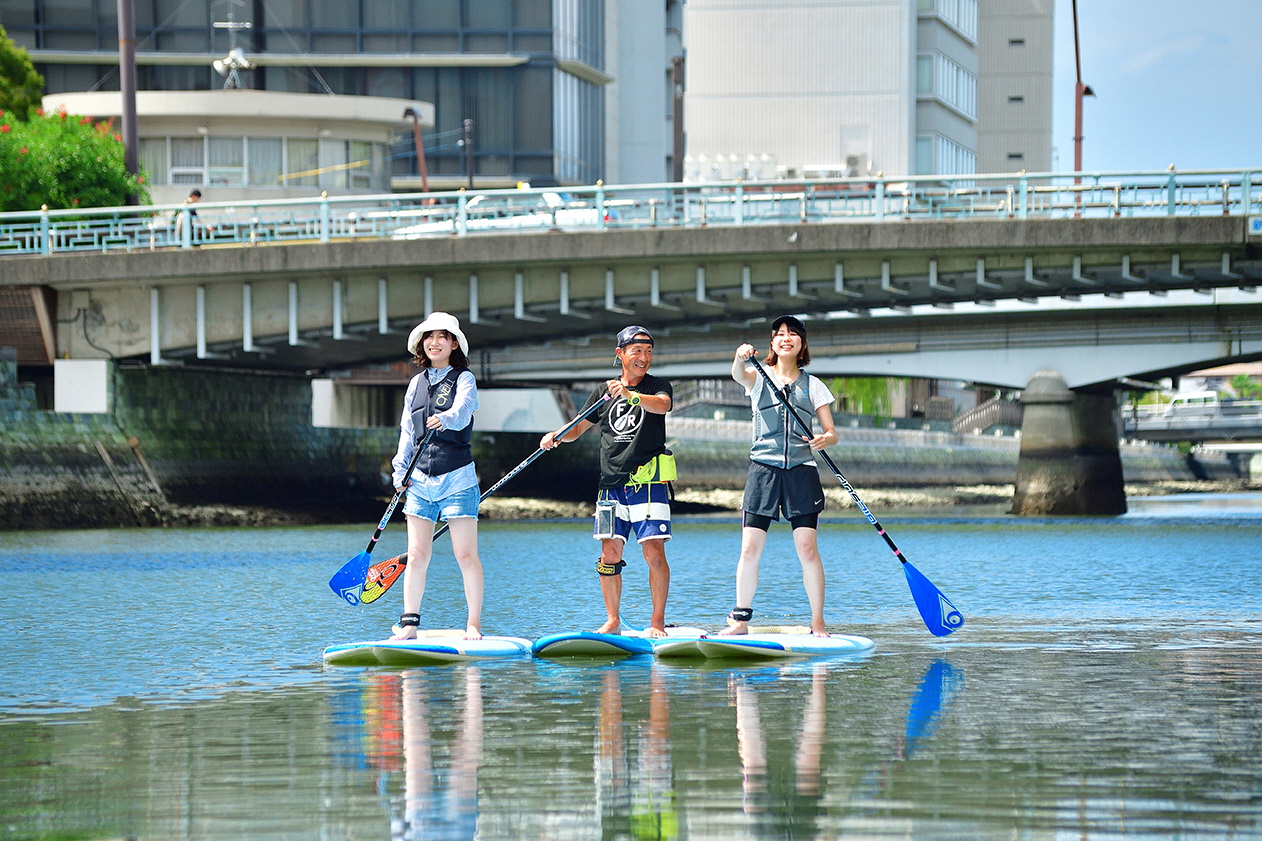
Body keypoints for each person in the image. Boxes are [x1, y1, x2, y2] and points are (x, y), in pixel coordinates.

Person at [540, 326, 674, 637]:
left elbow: (662, 405)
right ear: (621, 354)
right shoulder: (603, 393)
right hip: (609, 487)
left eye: (649, 351)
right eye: (637, 351)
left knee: (653, 552)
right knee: (609, 555)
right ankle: (613, 621)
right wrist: (556, 437)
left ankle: (657, 623)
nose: (644, 357)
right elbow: (577, 429)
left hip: (648, 484)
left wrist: (631, 396)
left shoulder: (658, 385)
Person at [720, 315, 838, 637]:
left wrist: (825, 439)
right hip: (763, 471)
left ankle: (818, 622)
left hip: (802, 472)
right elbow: (736, 374)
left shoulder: (814, 385)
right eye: (780, 334)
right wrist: (739, 356)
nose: (786, 338)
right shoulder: (758, 376)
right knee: (749, 549)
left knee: (807, 549)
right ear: (772, 344)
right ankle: (741, 620)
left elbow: (832, 433)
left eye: (793, 334)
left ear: (802, 344)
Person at [390, 312, 484, 641]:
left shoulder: (464, 379)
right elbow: (406, 432)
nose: (434, 342)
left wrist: (446, 418)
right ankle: (409, 623)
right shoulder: (416, 383)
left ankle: (473, 624)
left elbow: (463, 411)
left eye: (442, 336)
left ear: (453, 343)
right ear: (422, 343)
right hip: (419, 482)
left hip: (457, 477)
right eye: (429, 337)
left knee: (465, 554)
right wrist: (399, 471)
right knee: (416, 555)